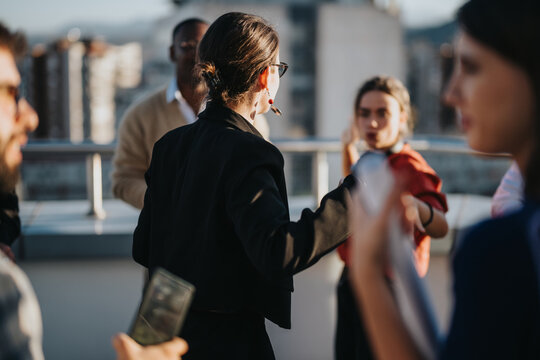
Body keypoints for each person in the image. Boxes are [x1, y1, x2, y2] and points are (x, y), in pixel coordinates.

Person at [132, 12, 356, 360]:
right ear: (265, 77)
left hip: (161, 332)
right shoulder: (250, 152)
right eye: (278, 69)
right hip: (226, 342)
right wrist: (354, 198)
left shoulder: (168, 145)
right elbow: (278, 251)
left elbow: (143, 247)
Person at [347, 0, 540, 358]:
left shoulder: (503, 249)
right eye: (363, 114)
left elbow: (438, 222)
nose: (451, 93)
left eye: (470, 66)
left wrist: (368, 275)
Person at [0, 22, 187, 360]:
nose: (30, 117)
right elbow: (122, 178)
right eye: (10, 92)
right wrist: (170, 204)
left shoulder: (246, 120)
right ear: (172, 52)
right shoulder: (4, 292)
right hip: (167, 262)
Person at [336, 76, 448, 360]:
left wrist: (414, 208)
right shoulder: (370, 161)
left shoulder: (410, 166)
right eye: (364, 114)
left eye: (382, 113)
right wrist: (347, 150)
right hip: (353, 278)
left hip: (387, 286)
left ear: (402, 118)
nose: (372, 123)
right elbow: (358, 190)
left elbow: (441, 225)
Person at [112, 18, 209, 209]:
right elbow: (123, 179)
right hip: (167, 234)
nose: (197, 55)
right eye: (188, 46)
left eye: (204, 47)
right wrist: (166, 205)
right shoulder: (140, 115)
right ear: (172, 53)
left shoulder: (240, 113)